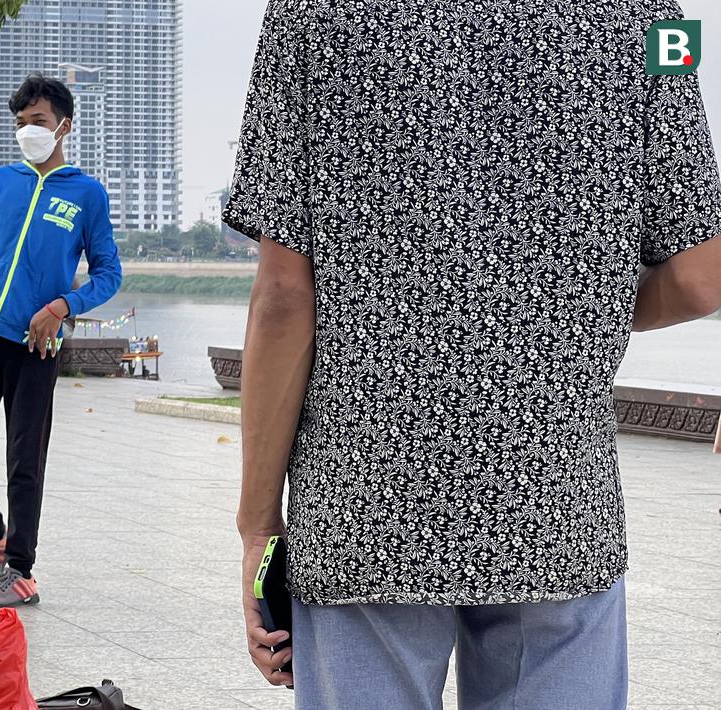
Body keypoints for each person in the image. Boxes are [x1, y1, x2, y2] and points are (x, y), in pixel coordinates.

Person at [228, 1, 721, 708]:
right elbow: (701, 276)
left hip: (364, 498)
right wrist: (567, 316)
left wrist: (256, 527)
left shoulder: (306, 13)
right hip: (556, 503)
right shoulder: (659, 23)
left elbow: (282, 296)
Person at [0, 74, 122, 609]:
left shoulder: (86, 194)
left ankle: (20, 570)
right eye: (20, 123)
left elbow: (109, 273)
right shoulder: (0, 182)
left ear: (64, 126)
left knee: (25, 459)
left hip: (36, 348)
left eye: (37, 122)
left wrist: (64, 305)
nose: (27, 132)